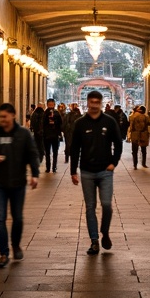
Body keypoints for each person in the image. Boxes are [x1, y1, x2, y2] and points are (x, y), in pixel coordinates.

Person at [0, 102, 40, 267]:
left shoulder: (23, 134)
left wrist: (35, 174)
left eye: (4, 117)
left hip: (17, 182)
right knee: (0, 218)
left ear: (13, 116)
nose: (2, 120)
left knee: (17, 218)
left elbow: (32, 154)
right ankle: (3, 253)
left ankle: (15, 244)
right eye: (0, 117)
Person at [70, 90, 123, 255]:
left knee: (107, 205)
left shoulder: (109, 121)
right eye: (91, 102)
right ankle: (94, 240)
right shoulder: (80, 123)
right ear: (87, 103)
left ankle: (104, 231)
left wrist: (113, 163)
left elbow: (118, 143)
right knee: (90, 207)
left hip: (105, 171)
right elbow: (74, 148)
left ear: (101, 103)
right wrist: (73, 171)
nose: (94, 105)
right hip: (86, 171)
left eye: (97, 103)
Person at [41, 98, 64, 173]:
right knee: (47, 152)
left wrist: (59, 131)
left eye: (52, 104)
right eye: (49, 104)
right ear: (47, 105)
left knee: (55, 152)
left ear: (54, 105)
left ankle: (54, 167)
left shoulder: (57, 113)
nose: (51, 106)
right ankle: (48, 167)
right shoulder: (45, 113)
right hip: (47, 135)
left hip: (55, 135)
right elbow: (42, 124)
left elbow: (61, 123)